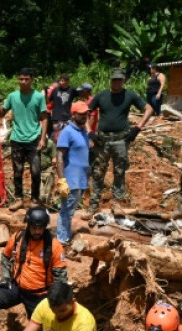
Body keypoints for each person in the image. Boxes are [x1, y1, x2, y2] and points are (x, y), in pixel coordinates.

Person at [86, 68, 154, 210]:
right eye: (114, 79)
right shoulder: (102, 95)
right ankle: (93, 205)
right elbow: (85, 112)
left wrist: (138, 128)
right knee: (98, 172)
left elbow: (149, 109)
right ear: (111, 80)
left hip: (121, 140)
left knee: (119, 172)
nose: (116, 82)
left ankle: (117, 205)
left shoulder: (130, 95)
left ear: (123, 80)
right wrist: (89, 132)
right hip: (102, 140)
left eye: (119, 80)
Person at [0, 67, 49, 210]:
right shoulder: (13, 96)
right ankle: (19, 199)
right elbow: (1, 114)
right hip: (17, 139)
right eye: (21, 79)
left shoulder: (38, 97)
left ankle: (34, 199)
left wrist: (43, 138)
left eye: (26, 79)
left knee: (36, 171)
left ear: (32, 80)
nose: (23, 82)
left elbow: (44, 117)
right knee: (17, 171)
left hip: (34, 139)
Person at [56, 101, 90, 243]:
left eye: (86, 114)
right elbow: (59, 157)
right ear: (73, 114)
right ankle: (61, 239)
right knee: (66, 210)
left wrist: (87, 178)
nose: (84, 116)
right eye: (81, 114)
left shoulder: (83, 132)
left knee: (70, 210)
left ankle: (66, 235)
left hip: (80, 179)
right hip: (71, 180)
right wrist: (62, 180)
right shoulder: (67, 132)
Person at [49, 74, 79, 142]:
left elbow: (81, 95)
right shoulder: (55, 90)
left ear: (67, 82)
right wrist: (45, 93)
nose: (60, 82)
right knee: (56, 138)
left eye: (62, 81)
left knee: (67, 137)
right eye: (60, 81)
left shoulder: (72, 90)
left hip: (67, 117)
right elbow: (48, 100)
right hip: (56, 117)